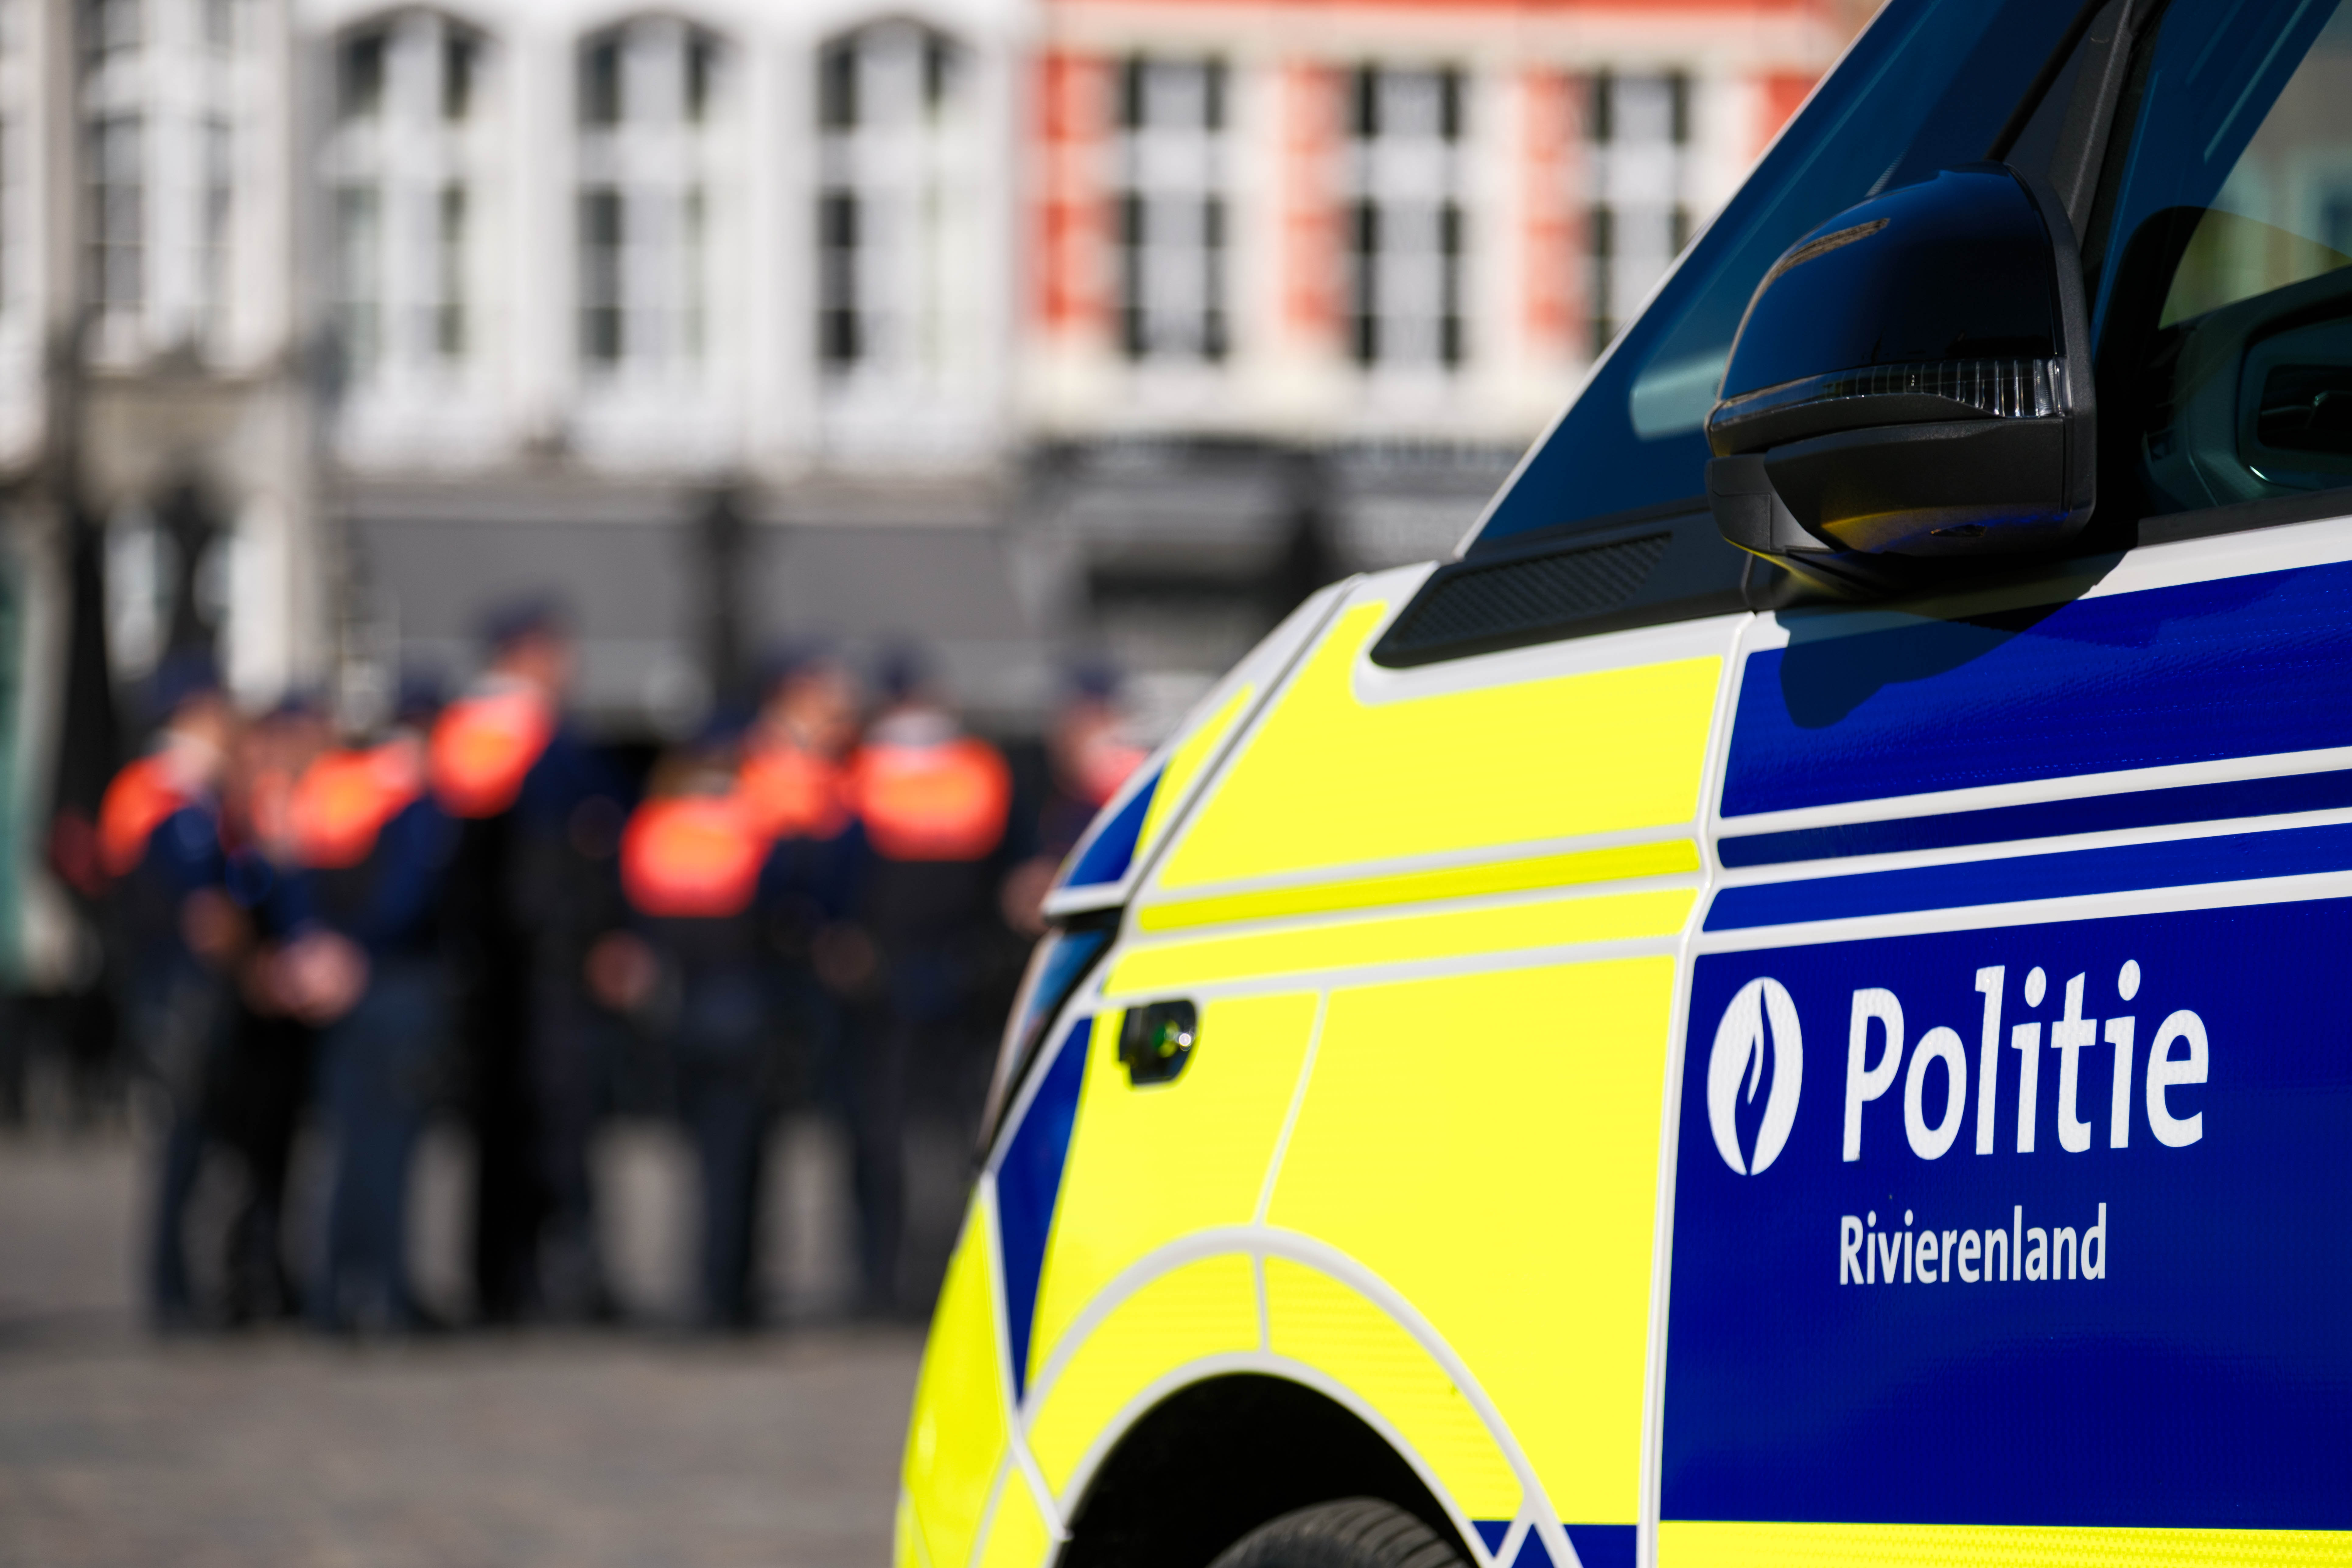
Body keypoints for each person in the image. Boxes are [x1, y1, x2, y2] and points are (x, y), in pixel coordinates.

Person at [429, 600, 628, 1322]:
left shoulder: (458, 736)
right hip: (546, 966)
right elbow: (593, 836)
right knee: (557, 1123)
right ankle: (565, 1274)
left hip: (485, 970)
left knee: (496, 1131)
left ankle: (498, 1279)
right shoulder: (541, 741)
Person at [842, 649, 1014, 1314]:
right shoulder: (977, 767)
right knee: (946, 1129)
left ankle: (894, 1277)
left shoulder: (861, 770)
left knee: (899, 1131)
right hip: (941, 974)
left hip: (909, 978)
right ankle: (930, 1273)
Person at [293, 675, 456, 1332]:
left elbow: (297, 872)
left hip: (336, 988)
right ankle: (385, 1293)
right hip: (394, 983)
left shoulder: (336, 787)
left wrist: (316, 946)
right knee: (390, 1147)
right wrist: (357, 949)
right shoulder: (417, 802)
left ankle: (332, 1293)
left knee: (347, 1145)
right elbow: (408, 898)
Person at [605, 724, 778, 1329]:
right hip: (743, 1002)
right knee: (739, 1154)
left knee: (694, 1155)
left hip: (674, 1009)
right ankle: (729, 1289)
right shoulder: (757, 826)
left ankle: (703, 1285)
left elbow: (632, 916)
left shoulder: (653, 827)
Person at [98, 653, 242, 1330]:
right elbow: (205, 915)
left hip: (166, 987)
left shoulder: (157, 792)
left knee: (186, 1144)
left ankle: (179, 1286)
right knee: (184, 1143)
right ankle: (174, 1291)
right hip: (180, 993)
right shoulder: (174, 800)